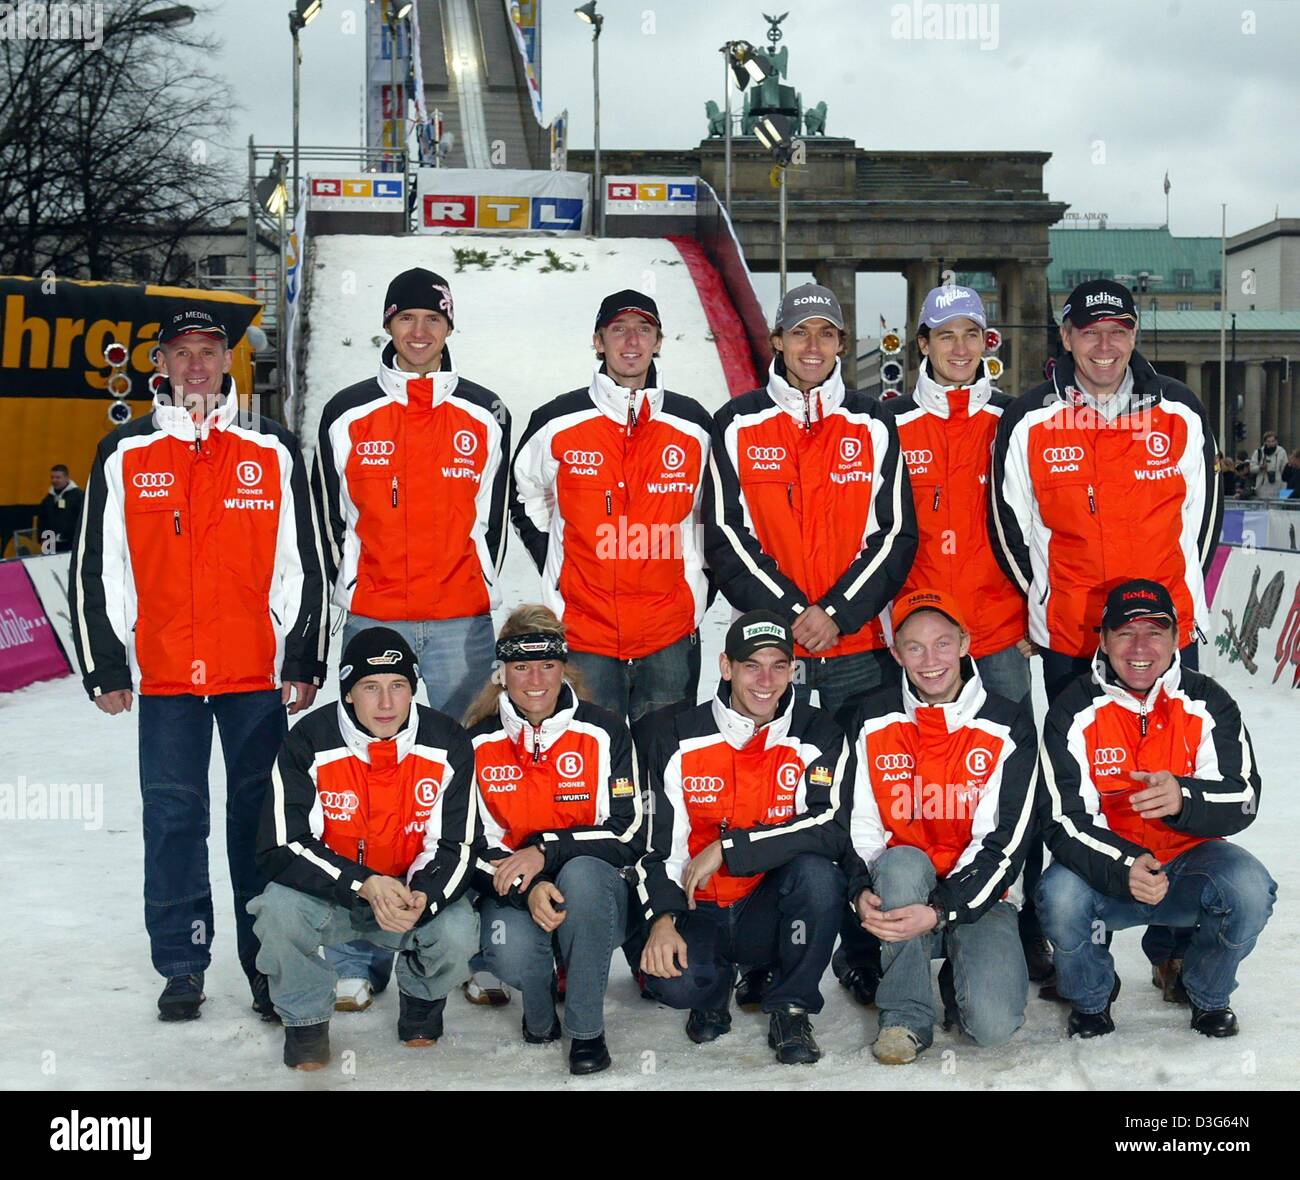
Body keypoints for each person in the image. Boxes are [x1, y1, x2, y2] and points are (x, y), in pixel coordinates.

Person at [68, 306, 327, 1022]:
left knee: (259, 823)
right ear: (160, 363)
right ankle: (182, 966)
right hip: (168, 678)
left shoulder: (272, 447)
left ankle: (268, 968)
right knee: (175, 822)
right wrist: (108, 664)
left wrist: (301, 653)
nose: (194, 366)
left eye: (208, 351)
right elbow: (100, 566)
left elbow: (304, 565)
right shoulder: (125, 450)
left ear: (227, 361)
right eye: (180, 352)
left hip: (254, 677)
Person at [312, 267, 511, 1011]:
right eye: (407, 319)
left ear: (450, 328)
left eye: (434, 319)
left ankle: (476, 944)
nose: (420, 333)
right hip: (375, 618)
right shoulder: (347, 411)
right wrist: (349, 601)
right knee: (363, 782)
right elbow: (329, 520)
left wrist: (481, 589)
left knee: (474, 775)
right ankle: (360, 952)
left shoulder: (486, 413)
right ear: (389, 326)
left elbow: (490, 520)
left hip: (461, 618)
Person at [1035, 580, 1275, 1038]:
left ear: (1177, 638)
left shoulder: (1208, 701)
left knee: (1249, 887)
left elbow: (1244, 797)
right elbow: (1062, 820)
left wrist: (1185, 798)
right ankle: (1091, 998)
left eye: (1155, 631)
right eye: (1125, 633)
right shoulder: (1072, 709)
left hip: (1187, 866)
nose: (1140, 647)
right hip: (1107, 870)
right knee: (1059, 897)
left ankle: (1205, 991)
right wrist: (1123, 864)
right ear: (1103, 640)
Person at [249, 627, 480, 1069]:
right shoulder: (308, 742)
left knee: (458, 930)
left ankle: (421, 1000)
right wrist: (362, 884)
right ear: (348, 694)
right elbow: (281, 845)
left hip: (408, 896)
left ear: (414, 689)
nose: (387, 703)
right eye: (370, 688)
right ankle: (306, 1022)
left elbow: (459, 845)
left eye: (399, 687)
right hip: (332, 896)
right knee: (277, 912)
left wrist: (424, 897)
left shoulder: (448, 740)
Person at [990, 279, 1222, 705]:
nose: (1104, 344)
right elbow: (1010, 528)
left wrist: (1175, 600)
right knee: (1076, 760)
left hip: (1162, 628)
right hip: (1072, 630)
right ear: (1066, 336)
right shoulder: (1028, 418)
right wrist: (1044, 597)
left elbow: (1203, 522)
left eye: (1117, 330)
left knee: (1167, 758)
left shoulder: (1180, 409)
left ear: (1134, 335)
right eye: (1089, 331)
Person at [636, 609, 851, 1065]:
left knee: (819, 874)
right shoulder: (675, 736)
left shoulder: (819, 733)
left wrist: (732, 848)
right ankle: (711, 990)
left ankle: (791, 1006)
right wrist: (662, 919)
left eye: (779, 665)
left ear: (794, 669)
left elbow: (829, 826)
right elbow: (657, 844)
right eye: (752, 665)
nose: (766, 680)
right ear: (726, 667)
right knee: (674, 983)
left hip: (766, 907)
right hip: (700, 907)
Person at [841, 589, 1038, 1064]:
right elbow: (853, 817)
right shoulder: (869, 716)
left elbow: (1007, 844)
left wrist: (945, 910)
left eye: (943, 643)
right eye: (915, 646)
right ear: (896, 653)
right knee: (903, 863)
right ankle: (904, 1019)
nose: (930, 660)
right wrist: (858, 884)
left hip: (979, 896)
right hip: (903, 885)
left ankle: (954, 970)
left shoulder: (1008, 722)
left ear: (966, 643)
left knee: (992, 1027)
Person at [705, 284, 917, 716]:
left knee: (861, 775)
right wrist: (796, 612)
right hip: (769, 647)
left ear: (841, 343)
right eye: (801, 333)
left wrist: (836, 613)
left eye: (826, 333)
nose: (814, 346)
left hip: (858, 642)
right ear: (778, 341)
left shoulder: (872, 421)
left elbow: (895, 534)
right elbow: (725, 536)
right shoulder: (737, 421)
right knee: (773, 776)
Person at [510, 289, 713, 725]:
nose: (632, 342)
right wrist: (554, 557)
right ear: (598, 341)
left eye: (644, 330)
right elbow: (523, 490)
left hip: (669, 634)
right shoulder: (557, 421)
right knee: (594, 766)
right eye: (618, 330)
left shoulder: (692, 424)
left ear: (659, 342)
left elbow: (714, 516)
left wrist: (695, 594)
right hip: (585, 633)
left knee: (667, 766)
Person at [463, 605, 643, 1076]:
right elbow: (468, 844)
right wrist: (530, 883)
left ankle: (586, 1032)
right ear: (502, 673)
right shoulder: (476, 744)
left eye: (547, 664)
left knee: (583, 873)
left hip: (594, 898)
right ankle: (539, 1008)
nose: (535, 679)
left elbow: (628, 831)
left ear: (565, 667)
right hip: (514, 890)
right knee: (514, 954)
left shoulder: (603, 730)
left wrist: (547, 850)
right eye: (521, 667)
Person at [37, 464, 84, 553]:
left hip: (72, 543)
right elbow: (42, 521)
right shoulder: (48, 499)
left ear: (66, 478)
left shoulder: (78, 496)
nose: (54, 480)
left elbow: (82, 519)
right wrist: (42, 539)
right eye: (52, 477)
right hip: (50, 544)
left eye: (58, 477)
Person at [1249, 431, 1288, 499]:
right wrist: (1260, 467)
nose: (1271, 443)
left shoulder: (1281, 452)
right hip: (1262, 488)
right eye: (1268, 441)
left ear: (1276, 441)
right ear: (1265, 442)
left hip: (1277, 487)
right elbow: (1251, 468)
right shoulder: (1258, 452)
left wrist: (1284, 490)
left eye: (1273, 441)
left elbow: (1285, 470)